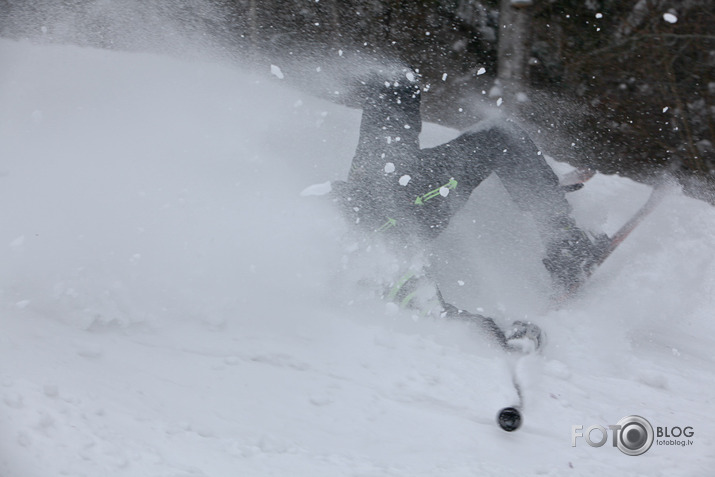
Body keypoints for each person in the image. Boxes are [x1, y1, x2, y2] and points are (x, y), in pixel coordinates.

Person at [332, 67, 597, 352]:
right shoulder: (377, 264)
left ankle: (559, 231)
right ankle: (564, 241)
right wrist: (497, 333)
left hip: (378, 184)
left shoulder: (325, 236)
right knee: (499, 136)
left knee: (396, 84)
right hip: (402, 199)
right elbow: (425, 308)